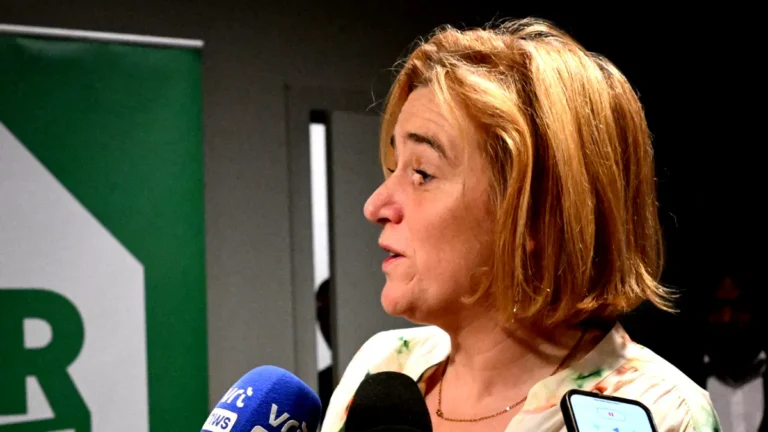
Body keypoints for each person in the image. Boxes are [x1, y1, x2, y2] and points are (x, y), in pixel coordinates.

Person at [320, 18, 720, 432]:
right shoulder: (384, 365)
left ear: (537, 213)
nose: (375, 206)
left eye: (422, 173)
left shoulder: (659, 412)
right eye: (394, 167)